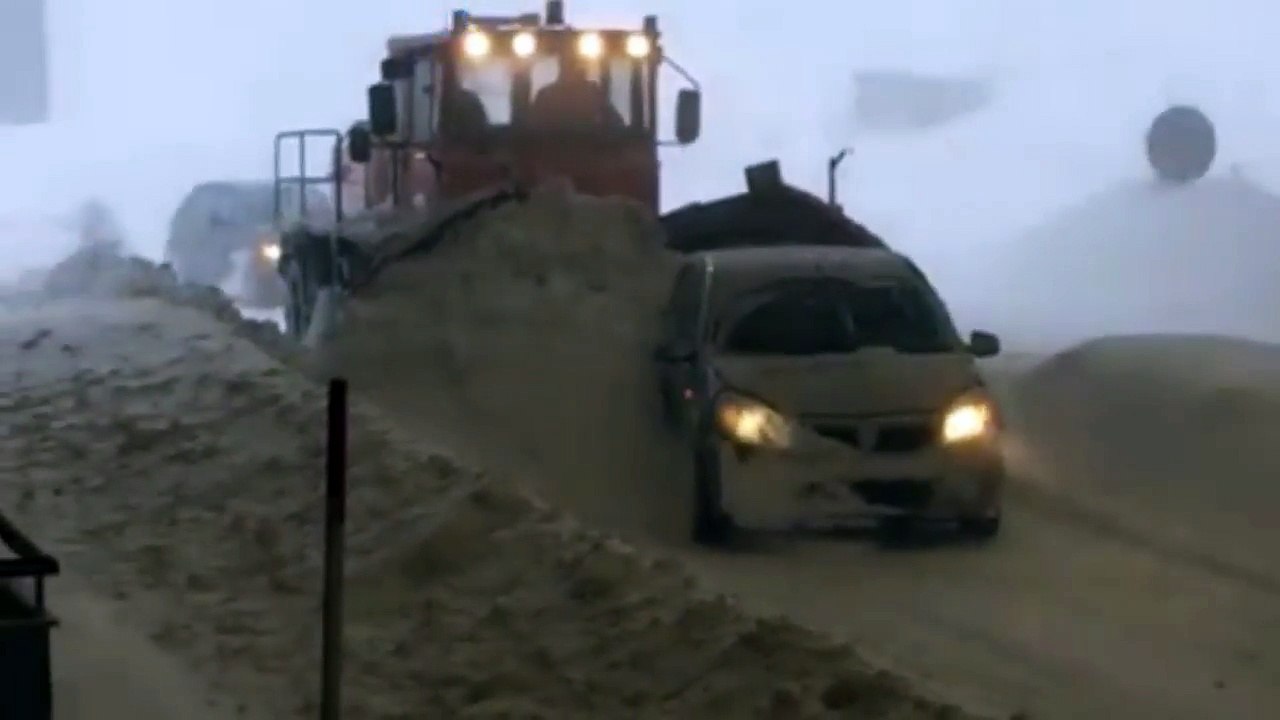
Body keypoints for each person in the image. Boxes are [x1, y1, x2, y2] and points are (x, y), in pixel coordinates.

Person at [528, 60, 624, 128]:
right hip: (554, 146)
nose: (580, 69)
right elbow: (534, 127)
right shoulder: (547, 94)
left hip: (591, 145)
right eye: (573, 65)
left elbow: (615, 123)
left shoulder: (593, 92)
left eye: (581, 65)